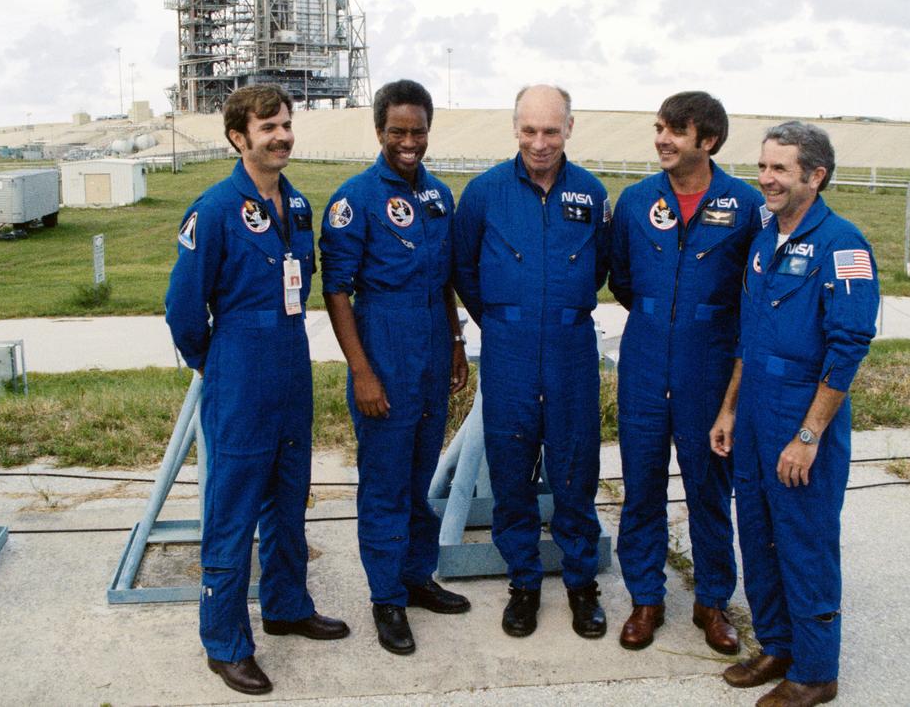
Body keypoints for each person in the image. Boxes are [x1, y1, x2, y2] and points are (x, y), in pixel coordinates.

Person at [165, 84, 348, 697]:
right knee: (233, 509)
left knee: (289, 498)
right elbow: (184, 310)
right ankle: (224, 643)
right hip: (239, 368)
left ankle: (287, 606)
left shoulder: (296, 207)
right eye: (268, 126)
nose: (282, 135)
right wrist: (215, 365)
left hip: (291, 363)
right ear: (238, 138)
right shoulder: (214, 210)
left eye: (287, 124)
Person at [709, 121, 878, 707]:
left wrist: (808, 436)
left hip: (802, 415)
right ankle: (778, 645)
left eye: (779, 169)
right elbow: (746, 339)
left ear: (816, 175)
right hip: (754, 408)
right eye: (763, 167)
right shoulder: (763, 241)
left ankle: (815, 671)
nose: (766, 180)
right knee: (756, 535)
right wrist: (729, 410)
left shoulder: (844, 245)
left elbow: (849, 347)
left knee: (804, 541)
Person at [608, 91, 765, 654]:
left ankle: (713, 601)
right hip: (646, 362)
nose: (662, 139)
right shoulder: (633, 202)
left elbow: (755, 295)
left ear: (709, 141)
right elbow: (622, 281)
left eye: (676, 130)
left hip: (711, 368)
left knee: (708, 489)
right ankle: (646, 598)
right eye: (658, 128)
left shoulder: (745, 206)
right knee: (642, 488)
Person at [452, 84, 611, 639]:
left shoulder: (591, 194)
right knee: (512, 470)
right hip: (509, 350)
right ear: (514, 128)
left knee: (575, 470)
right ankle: (523, 582)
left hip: (570, 350)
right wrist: (501, 318)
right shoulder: (484, 193)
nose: (539, 143)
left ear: (570, 128)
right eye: (529, 130)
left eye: (550, 130)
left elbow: (599, 270)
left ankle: (580, 584)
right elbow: (464, 268)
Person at [319, 79, 471, 655]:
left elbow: (446, 278)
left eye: (418, 131)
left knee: (420, 477)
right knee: (384, 481)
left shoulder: (437, 197)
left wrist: (455, 342)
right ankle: (386, 597)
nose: (409, 142)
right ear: (379, 130)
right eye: (397, 131)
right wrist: (362, 371)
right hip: (382, 343)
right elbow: (337, 290)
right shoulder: (353, 198)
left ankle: (415, 576)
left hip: (432, 344)